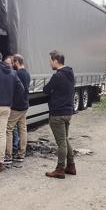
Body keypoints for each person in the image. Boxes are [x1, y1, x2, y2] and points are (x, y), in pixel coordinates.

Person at [43, 50, 76, 179]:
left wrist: (52, 91)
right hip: (68, 112)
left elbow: (46, 90)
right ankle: (71, 166)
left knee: (61, 142)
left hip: (57, 113)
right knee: (65, 139)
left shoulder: (57, 76)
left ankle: (60, 169)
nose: (50, 64)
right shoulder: (70, 73)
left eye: (50, 61)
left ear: (56, 61)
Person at [5, 54, 31, 166]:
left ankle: (8, 156)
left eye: (13, 62)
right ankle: (21, 154)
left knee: (8, 129)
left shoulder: (16, 74)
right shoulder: (27, 73)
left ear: (16, 62)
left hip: (16, 106)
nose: (12, 64)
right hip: (25, 105)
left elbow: (13, 89)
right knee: (23, 129)